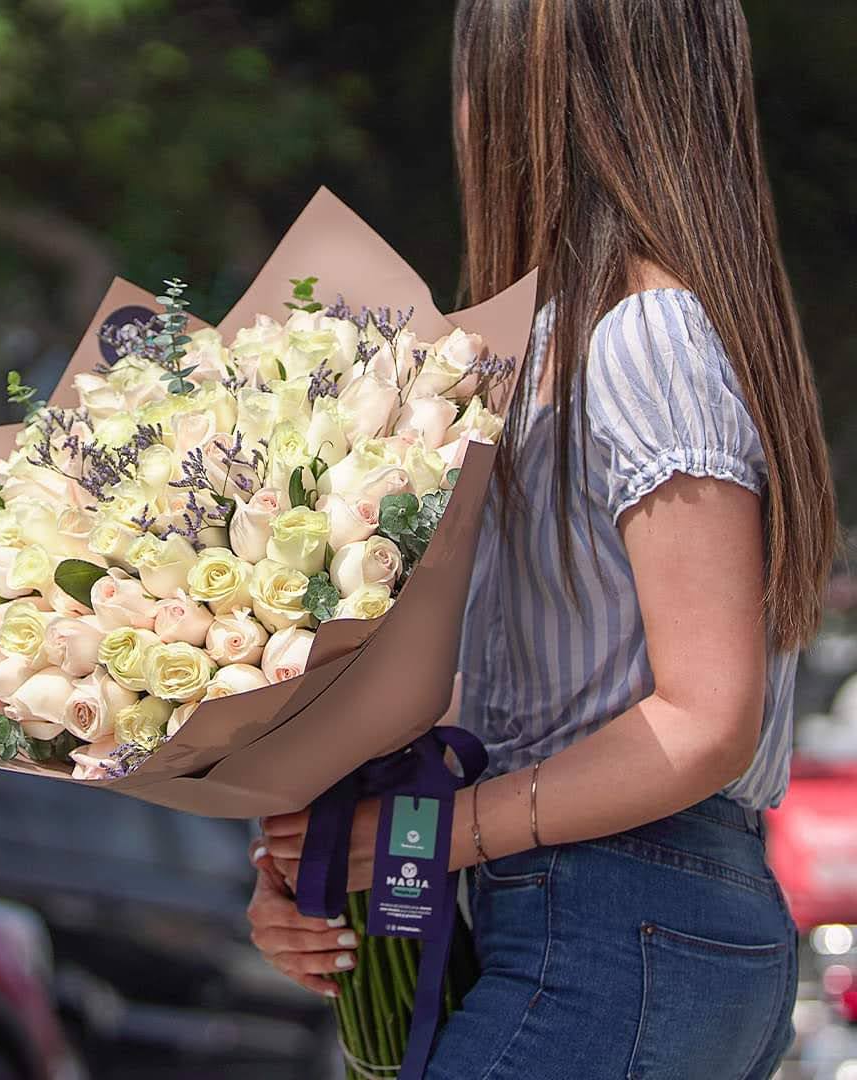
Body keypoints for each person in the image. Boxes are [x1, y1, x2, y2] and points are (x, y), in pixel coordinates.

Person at [246, 1, 838, 1076]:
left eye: (479, 77)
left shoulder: (648, 336)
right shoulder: (558, 342)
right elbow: (517, 696)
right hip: (602, 918)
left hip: (622, 916)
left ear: (540, 97)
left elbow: (704, 718)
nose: (464, 113)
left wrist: (433, 837)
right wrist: (317, 849)